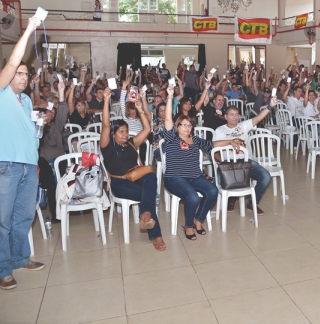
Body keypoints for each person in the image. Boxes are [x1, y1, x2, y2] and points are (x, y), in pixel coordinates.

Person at [0, 16, 45, 291]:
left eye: (25, 74)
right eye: (18, 73)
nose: (22, 77)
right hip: (5, 166)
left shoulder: (25, 101)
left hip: (27, 166)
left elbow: (29, 134)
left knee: (23, 217)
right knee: (1, 220)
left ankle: (20, 258)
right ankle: (2, 268)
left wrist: (39, 127)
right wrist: (31, 28)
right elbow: (12, 61)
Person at [163, 88, 238, 240]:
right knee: (193, 198)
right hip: (175, 178)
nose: (187, 128)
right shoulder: (172, 138)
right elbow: (167, 120)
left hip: (195, 176)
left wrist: (230, 140)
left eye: (189, 125)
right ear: (177, 127)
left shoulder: (195, 140)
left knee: (212, 191)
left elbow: (213, 144)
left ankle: (199, 219)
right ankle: (188, 225)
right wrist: (170, 97)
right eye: (183, 125)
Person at [100, 87, 165, 251]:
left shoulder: (131, 143)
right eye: (121, 132)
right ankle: (156, 235)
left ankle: (145, 215)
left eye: (126, 131)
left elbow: (147, 130)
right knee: (148, 195)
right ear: (113, 134)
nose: (125, 134)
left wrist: (140, 110)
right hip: (119, 183)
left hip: (137, 177)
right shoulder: (107, 146)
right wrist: (107, 99)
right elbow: (106, 124)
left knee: (150, 176)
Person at [212, 98, 277, 215]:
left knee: (266, 176)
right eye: (231, 114)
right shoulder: (220, 130)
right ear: (225, 117)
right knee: (216, 185)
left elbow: (258, 118)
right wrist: (223, 161)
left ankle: (252, 203)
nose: (235, 117)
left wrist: (270, 106)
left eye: (237, 114)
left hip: (245, 162)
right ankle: (231, 198)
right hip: (228, 162)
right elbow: (214, 149)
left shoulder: (243, 126)